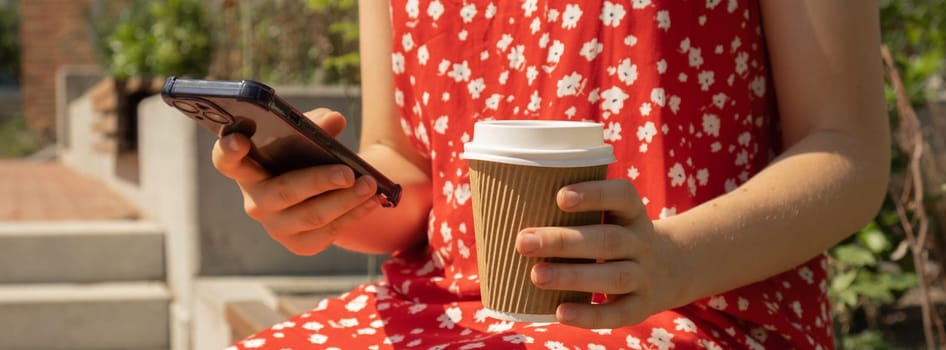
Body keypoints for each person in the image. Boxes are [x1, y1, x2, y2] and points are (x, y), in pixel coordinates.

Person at [217, 0, 889, 348]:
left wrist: (673, 261)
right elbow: (415, 169)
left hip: (696, 314)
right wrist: (325, 199)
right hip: (447, 315)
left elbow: (845, 147)